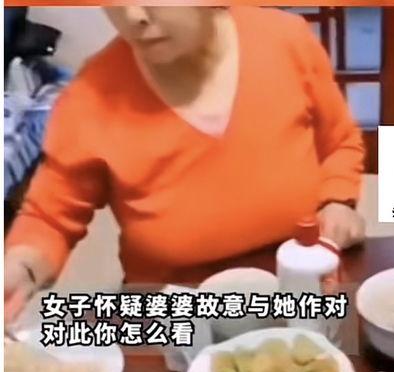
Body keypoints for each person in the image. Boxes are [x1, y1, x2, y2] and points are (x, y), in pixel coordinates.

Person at [4, 7, 365, 323]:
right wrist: (21, 268)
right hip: (173, 312)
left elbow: (340, 142)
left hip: (299, 288)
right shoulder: (89, 98)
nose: (133, 15)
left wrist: (337, 199)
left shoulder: (286, 40)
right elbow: (50, 218)